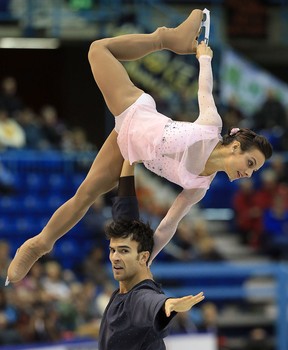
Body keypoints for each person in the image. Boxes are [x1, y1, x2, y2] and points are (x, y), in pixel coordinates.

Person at [6, 8, 273, 285]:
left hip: (127, 145)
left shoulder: (198, 187)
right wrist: (204, 59)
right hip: (134, 111)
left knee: (85, 194)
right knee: (98, 49)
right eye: (250, 164)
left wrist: (144, 268)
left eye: (254, 171)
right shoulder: (209, 128)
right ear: (235, 148)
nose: (249, 174)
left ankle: (41, 243)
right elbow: (204, 91)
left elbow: (167, 226)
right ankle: (165, 39)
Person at [100, 218, 204, 350]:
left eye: (123, 251)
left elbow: (152, 303)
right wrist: (125, 185)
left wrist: (170, 305)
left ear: (143, 257)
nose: (114, 257)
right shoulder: (125, 293)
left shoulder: (140, 296)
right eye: (112, 250)